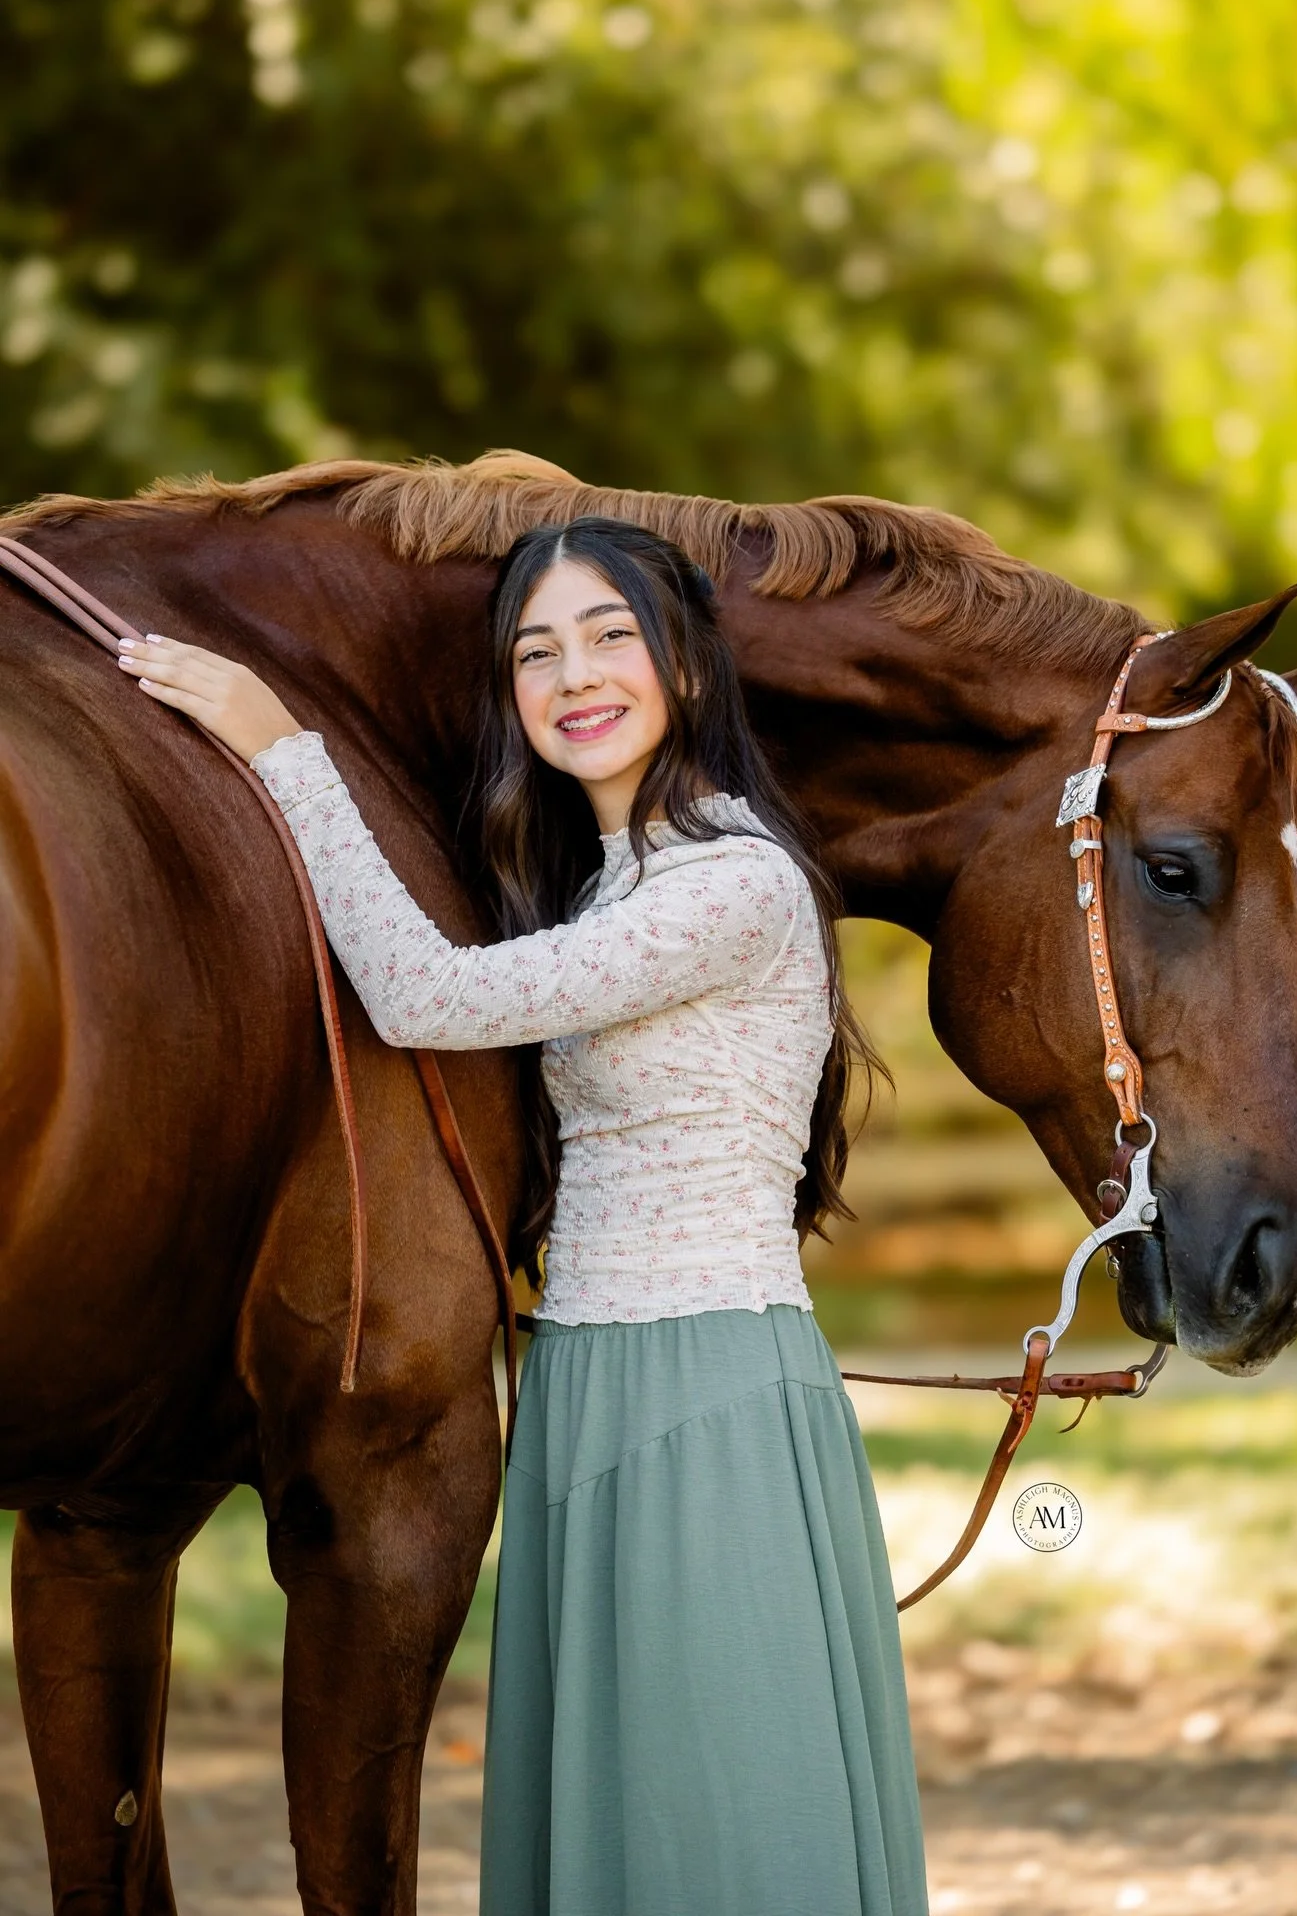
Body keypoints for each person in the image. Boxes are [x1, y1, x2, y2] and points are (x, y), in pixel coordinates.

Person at [118, 515, 929, 1916]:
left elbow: (425, 999)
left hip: (706, 1385)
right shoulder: (612, 879)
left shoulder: (733, 883)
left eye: (610, 634)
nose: (574, 675)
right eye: (535, 651)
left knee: (721, 1813)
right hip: (589, 1378)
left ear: (683, 657)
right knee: (615, 1817)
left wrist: (282, 748)